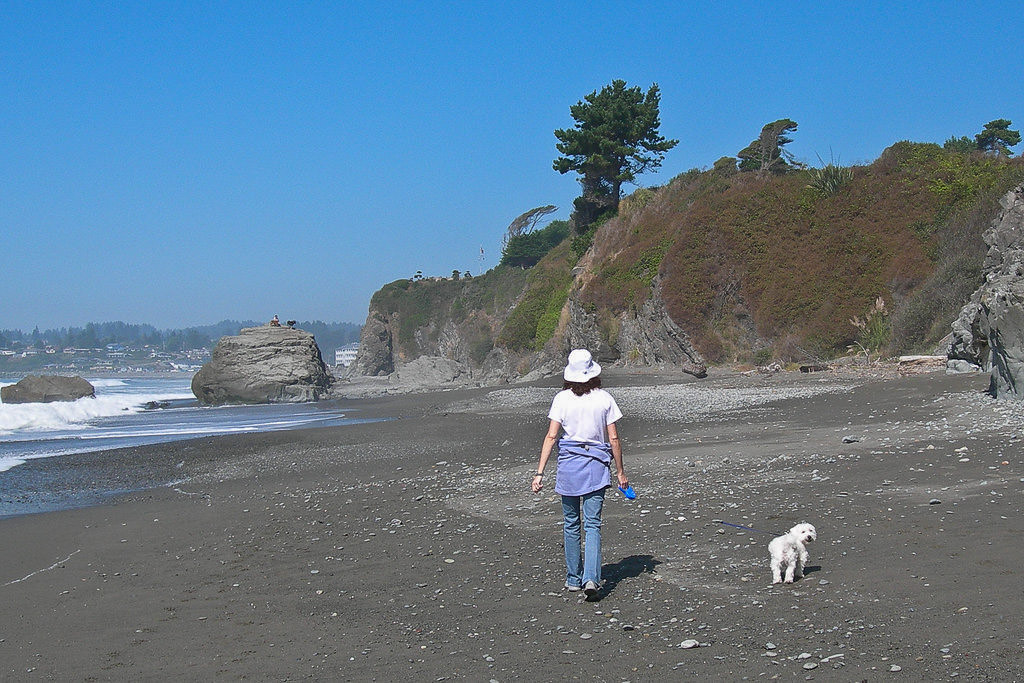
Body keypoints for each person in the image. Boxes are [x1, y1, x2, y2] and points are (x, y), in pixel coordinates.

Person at [532, 349, 628, 598]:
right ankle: (591, 579)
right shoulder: (605, 398)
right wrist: (620, 472)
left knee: (571, 523)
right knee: (593, 524)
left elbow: (552, 436)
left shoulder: (561, 399)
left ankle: (574, 578)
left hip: (569, 466)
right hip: (596, 463)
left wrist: (539, 473)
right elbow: (614, 438)